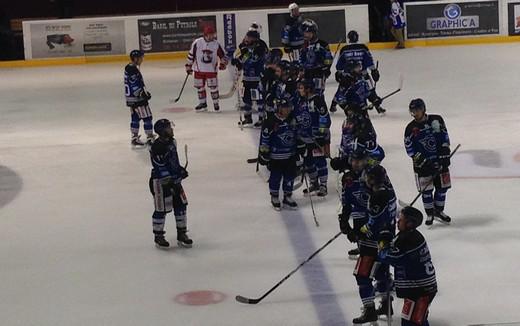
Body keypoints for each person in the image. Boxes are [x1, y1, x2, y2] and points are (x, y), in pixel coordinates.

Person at [379, 206, 438, 325]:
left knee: (411, 323)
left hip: (420, 290)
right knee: (416, 321)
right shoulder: (409, 235)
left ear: (410, 223)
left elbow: (389, 257)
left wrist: (383, 244)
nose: (397, 221)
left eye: (400, 219)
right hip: (420, 288)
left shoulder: (409, 239)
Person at [404, 98, 452, 226]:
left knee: (443, 188)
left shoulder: (437, 120)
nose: (415, 113)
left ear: (423, 109)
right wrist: (423, 162)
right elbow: (410, 150)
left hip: (439, 160)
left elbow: (444, 136)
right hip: (422, 165)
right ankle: (430, 213)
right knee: (426, 191)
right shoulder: (410, 128)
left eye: (417, 110)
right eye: (412, 111)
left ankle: (439, 211)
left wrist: (445, 153)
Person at [149, 119, 192, 249]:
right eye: (168, 128)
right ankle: (158, 236)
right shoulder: (157, 147)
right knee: (161, 209)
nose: (171, 130)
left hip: (174, 180)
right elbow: (159, 165)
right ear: (162, 132)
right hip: (160, 183)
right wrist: (168, 179)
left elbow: (173, 161)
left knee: (181, 205)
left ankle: (182, 233)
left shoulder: (172, 142)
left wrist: (180, 170)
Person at [258, 98, 299, 210]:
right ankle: (274, 197)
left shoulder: (292, 120)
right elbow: (265, 139)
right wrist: (264, 153)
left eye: (289, 107)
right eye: (286, 108)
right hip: (275, 157)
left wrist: (299, 148)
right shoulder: (270, 122)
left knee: (290, 177)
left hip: (289, 155)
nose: (288, 110)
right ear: (279, 108)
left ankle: (287, 197)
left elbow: (296, 134)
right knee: (275, 177)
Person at [332, 30, 383, 114]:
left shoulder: (344, 49)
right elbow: (369, 60)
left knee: (341, 90)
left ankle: (333, 105)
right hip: (362, 74)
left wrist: (339, 72)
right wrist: (374, 70)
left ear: (348, 39)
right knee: (370, 88)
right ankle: (377, 106)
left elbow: (340, 63)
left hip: (348, 76)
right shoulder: (363, 47)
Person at [296, 79, 331, 197]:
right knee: (308, 162)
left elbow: (324, 117)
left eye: (301, 88)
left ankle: (323, 185)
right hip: (305, 138)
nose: (299, 90)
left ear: (308, 89)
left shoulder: (317, 100)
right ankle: (314, 183)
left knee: (320, 161)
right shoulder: (300, 101)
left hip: (318, 138)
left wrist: (321, 135)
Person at [186, 25, 228, 112]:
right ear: (205, 35)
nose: (212, 36)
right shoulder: (197, 42)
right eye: (210, 34)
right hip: (198, 69)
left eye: (213, 34)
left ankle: (216, 104)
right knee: (200, 87)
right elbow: (191, 54)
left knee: (213, 87)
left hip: (211, 70)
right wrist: (188, 66)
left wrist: (223, 64)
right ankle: (203, 103)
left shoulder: (216, 44)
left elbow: (223, 56)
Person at [232, 29, 268, 127]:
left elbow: (252, 60)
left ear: (255, 39)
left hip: (257, 79)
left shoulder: (260, 48)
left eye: (249, 38)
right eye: (247, 37)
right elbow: (245, 57)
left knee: (259, 98)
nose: (247, 39)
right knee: (246, 98)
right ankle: (248, 118)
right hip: (247, 78)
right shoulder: (249, 48)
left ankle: (262, 118)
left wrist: (241, 61)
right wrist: (238, 62)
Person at [124, 49, 154, 147]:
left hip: (130, 99)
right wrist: (141, 93)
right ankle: (150, 137)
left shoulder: (129, 67)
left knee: (135, 118)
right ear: (136, 58)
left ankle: (134, 137)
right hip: (137, 99)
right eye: (141, 57)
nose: (142, 59)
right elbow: (134, 84)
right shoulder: (132, 69)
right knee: (147, 117)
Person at [299, 19, 333, 99]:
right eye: (304, 33)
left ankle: (320, 108)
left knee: (318, 93)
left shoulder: (323, 44)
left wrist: (326, 68)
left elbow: (328, 58)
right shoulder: (304, 45)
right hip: (307, 73)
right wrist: (301, 69)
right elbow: (301, 58)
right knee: (305, 93)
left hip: (319, 73)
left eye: (307, 33)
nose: (305, 35)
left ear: (313, 33)